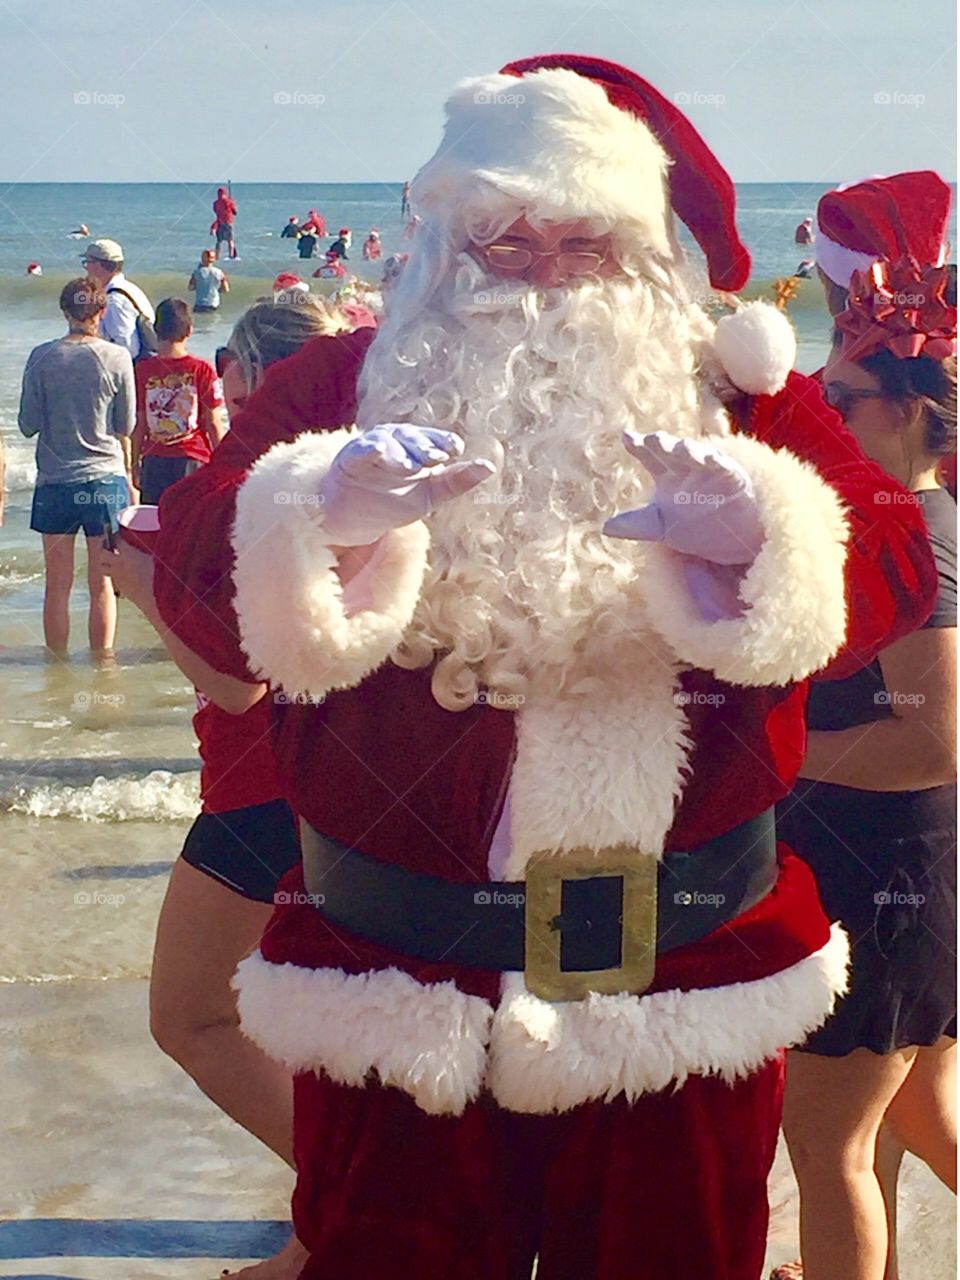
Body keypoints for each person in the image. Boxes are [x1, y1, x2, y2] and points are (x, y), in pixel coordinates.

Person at [149, 56, 937, 1280]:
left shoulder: (744, 404)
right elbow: (196, 593)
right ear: (441, 242)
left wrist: (770, 534)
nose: (539, 275)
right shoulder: (332, 389)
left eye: (583, 246)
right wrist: (313, 509)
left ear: (644, 253)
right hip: (393, 994)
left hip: (682, 997)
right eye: (501, 244)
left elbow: (893, 556)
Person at [100, 292, 349, 1280]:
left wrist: (143, 588)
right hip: (338, 796)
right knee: (322, 1029)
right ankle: (321, 1226)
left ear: (257, 377)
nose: (225, 390)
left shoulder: (263, 491)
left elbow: (239, 687)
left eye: (234, 371)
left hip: (261, 788)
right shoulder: (352, 483)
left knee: (191, 1014)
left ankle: (348, 1202)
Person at [773, 173, 957, 1280]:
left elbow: (933, 731)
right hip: (911, 869)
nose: (820, 410)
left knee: (830, 1143)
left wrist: (783, 756)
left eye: (839, 398)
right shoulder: (899, 511)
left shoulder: (918, 530)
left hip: (886, 870)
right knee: (917, 1113)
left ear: (905, 409)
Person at [18, 277, 134, 657]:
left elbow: (27, 424)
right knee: (101, 583)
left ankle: (58, 668)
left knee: (57, 585)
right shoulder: (116, 357)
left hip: (54, 481)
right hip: (103, 479)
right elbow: (126, 425)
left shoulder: (41, 356)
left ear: (65, 312)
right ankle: (103, 668)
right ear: (100, 313)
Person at [132, 299, 227, 505]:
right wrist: (224, 461)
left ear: (156, 330)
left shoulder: (142, 370)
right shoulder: (202, 369)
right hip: (193, 458)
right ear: (190, 330)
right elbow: (213, 422)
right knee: (189, 524)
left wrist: (133, 463)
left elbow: (139, 424)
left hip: (154, 460)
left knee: (156, 525)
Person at [81, 239, 156, 363]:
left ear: (98, 266)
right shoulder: (129, 289)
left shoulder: (115, 300)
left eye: (87, 262)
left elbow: (128, 348)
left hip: (130, 370)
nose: (86, 268)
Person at [188, 248, 229, 313]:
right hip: (213, 304)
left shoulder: (197, 272)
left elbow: (190, 288)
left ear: (202, 258)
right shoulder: (220, 273)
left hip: (200, 304)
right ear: (214, 259)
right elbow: (225, 290)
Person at [210, 186, 238, 260]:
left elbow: (216, 211)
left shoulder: (215, 203)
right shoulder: (229, 202)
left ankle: (217, 256)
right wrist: (232, 202)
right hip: (228, 222)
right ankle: (231, 255)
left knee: (219, 241)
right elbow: (235, 212)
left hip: (220, 222)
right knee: (230, 240)